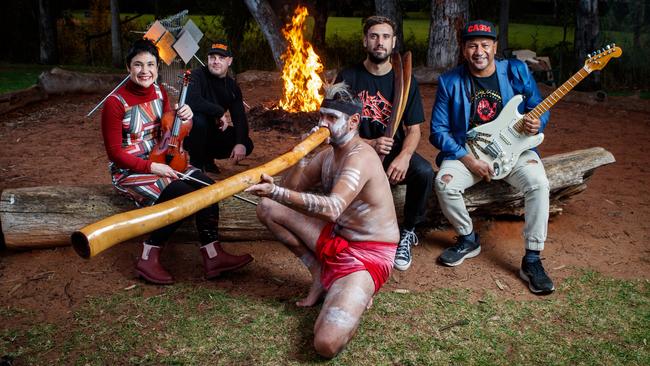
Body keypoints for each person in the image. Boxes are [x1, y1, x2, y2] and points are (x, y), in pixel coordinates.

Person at [245, 82, 399, 358]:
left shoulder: (361, 157)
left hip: (367, 256)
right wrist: (301, 157)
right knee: (267, 207)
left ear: (353, 121)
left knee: (326, 344)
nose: (322, 124)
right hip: (336, 238)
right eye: (321, 115)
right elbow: (292, 189)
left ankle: (358, 294)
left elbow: (332, 209)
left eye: (331, 118)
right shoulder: (328, 155)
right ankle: (319, 275)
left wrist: (278, 190)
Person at [101, 38, 253, 285]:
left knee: (209, 188)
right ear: (128, 67)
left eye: (150, 65)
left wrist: (187, 115)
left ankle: (213, 256)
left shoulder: (160, 92)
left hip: (165, 158)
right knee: (182, 193)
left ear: (158, 69)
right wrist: (152, 167)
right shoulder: (115, 103)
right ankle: (148, 256)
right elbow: (115, 154)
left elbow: (169, 130)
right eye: (138, 65)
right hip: (132, 169)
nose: (144, 71)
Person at [430, 20, 554, 294]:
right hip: (470, 152)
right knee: (445, 184)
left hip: (516, 150)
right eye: (472, 45)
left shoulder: (516, 71)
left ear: (495, 47)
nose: (479, 51)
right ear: (463, 50)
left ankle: (532, 259)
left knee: (539, 184)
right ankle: (468, 238)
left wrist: (538, 122)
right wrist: (467, 159)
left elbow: (537, 105)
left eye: (485, 45)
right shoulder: (449, 81)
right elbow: (438, 131)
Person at [335, 15, 434, 272]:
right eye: (374, 36)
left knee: (423, 172)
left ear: (393, 42)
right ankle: (347, 234)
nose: (380, 42)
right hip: (354, 151)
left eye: (386, 37)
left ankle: (408, 232)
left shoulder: (405, 81)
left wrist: (404, 156)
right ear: (365, 41)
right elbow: (334, 129)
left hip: (390, 152)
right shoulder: (347, 77)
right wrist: (368, 142)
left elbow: (414, 130)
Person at [184, 40, 254, 173]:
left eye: (221, 58)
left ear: (230, 61)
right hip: (190, 133)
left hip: (213, 132)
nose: (216, 61)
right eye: (212, 58)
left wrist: (240, 143)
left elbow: (239, 118)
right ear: (208, 59)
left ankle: (207, 159)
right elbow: (191, 100)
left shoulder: (232, 87)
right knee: (199, 120)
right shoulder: (196, 75)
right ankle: (196, 166)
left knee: (246, 143)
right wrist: (219, 111)